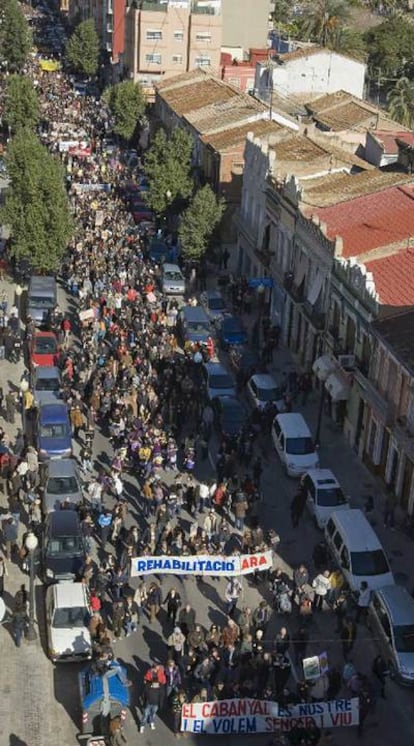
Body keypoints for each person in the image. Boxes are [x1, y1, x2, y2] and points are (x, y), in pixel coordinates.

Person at [140, 663, 166, 732]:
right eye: (156, 668)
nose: (157, 669)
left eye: (157, 668)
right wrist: (144, 702)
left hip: (156, 704)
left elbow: (161, 696)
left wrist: (161, 704)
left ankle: (151, 722)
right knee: (145, 715)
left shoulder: (160, 688)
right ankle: (142, 725)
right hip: (148, 703)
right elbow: (144, 694)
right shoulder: (148, 686)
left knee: (153, 714)